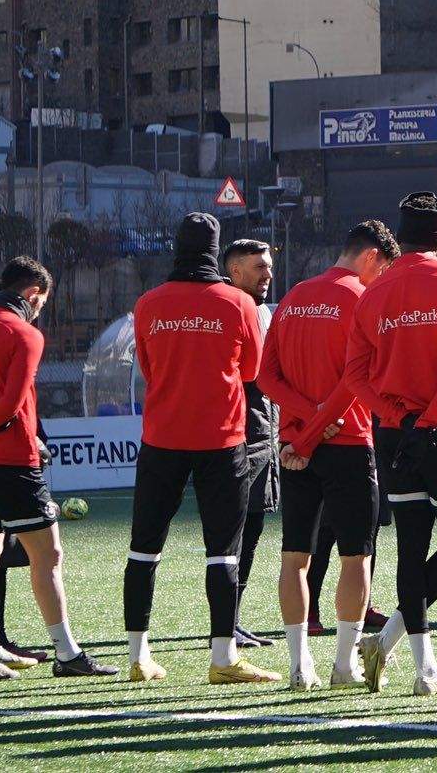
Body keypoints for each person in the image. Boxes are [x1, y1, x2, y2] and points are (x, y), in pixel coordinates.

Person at [0, 256, 114, 681]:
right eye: (43, 302)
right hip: (13, 460)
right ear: (33, 294)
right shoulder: (24, 334)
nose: (40, 310)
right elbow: (12, 405)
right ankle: (67, 653)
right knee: (47, 556)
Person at [124, 215, 276, 684]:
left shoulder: (148, 303)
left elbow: (148, 368)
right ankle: (223, 658)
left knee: (143, 549)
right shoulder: (239, 303)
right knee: (223, 553)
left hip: (161, 439)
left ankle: (138, 657)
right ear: (215, 251)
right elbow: (251, 371)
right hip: (221, 440)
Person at [258, 220, 399, 689]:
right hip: (347, 443)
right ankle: (343, 665)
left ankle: (300, 666)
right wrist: (317, 424)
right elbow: (355, 382)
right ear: (372, 257)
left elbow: (266, 377)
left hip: (296, 447)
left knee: (294, 557)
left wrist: (303, 426)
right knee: (356, 557)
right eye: (384, 269)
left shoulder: (294, 296)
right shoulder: (363, 299)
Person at [350, 192, 437, 696]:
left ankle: (406, 655)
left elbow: (356, 375)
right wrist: (427, 421)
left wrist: (396, 417)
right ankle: (414, 663)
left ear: (401, 236)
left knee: (411, 544)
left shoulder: (373, 293)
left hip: (394, 435)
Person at [223, 238, 279, 650]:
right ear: (235, 271)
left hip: (264, 432)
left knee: (253, 529)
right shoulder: (230, 308)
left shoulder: (262, 310)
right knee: (236, 532)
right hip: (240, 435)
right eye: (259, 267)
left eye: (269, 266)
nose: (268, 274)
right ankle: (226, 625)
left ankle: (233, 621)